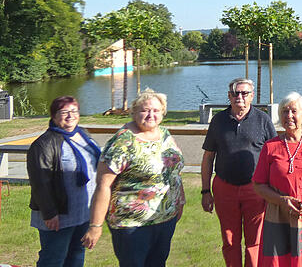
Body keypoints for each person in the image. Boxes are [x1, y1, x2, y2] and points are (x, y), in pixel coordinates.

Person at [81, 89, 185, 267]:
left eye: (156, 110)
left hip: (165, 218)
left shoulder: (164, 134)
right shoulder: (123, 141)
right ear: (134, 112)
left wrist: (179, 202)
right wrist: (95, 226)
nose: (151, 114)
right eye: (145, 110)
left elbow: (174, 172)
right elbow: (103, 185)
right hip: (132, 224)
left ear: (163, 113)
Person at [201, 78, 277, 267]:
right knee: (229, 240)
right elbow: (208, 157)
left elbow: (275, 157)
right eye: (235, 93)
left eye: (244, 93)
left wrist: (273, 192)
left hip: (256, 190)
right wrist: (205, 191)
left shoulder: (263, 120)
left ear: (252, 96)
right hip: (224, 188)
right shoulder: (218, 120)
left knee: (255, 242)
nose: (239, 97)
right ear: (229, 96)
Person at [253, 92, 302, 266]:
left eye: (293, 111)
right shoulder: (270, 146)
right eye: (284, 111)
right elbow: (259, 185)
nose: (288, 116)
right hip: (278, 215)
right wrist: (281, 200)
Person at [27, 96, 101, 267]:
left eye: (74, 111)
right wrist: (49, 212)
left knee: (76, 254)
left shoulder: (83, 134)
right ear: (53, 116)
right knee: (53, 258)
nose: (70, 116)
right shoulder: (43, 144)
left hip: (82, 210)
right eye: (64, 112)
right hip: (58, 215)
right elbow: (40, 182)